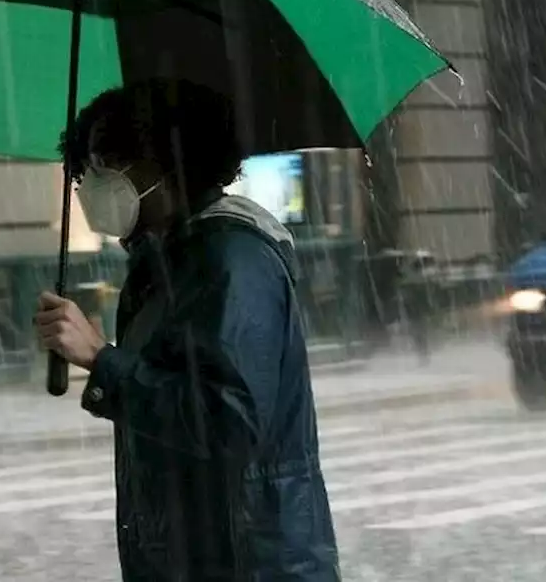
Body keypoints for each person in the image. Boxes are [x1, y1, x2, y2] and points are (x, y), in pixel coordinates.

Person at [34, 79, 341, 581]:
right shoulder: (167, 262)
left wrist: (101, 359)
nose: (94, 182)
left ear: (170, 164)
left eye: (110, 162)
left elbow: (229, 421)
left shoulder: (232, 261)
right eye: (88, 167)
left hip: (248, 563)